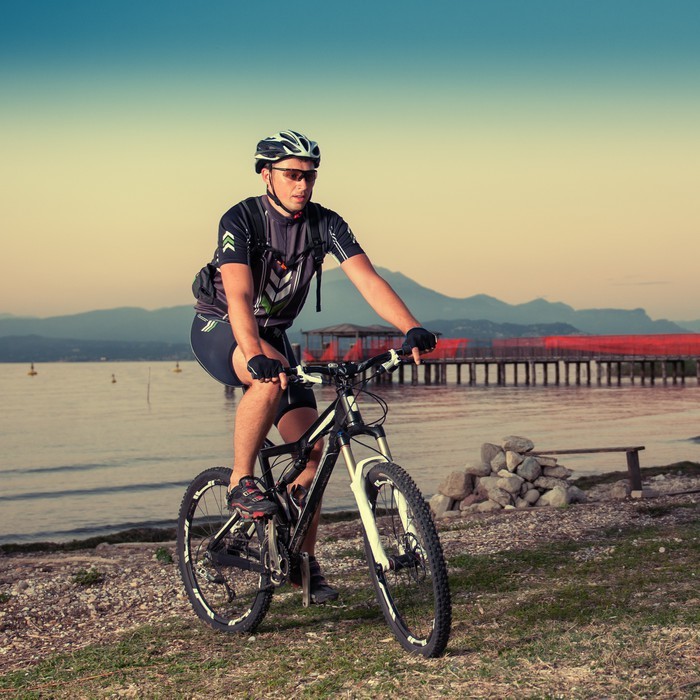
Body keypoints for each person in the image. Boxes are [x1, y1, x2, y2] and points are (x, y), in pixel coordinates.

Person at [190, 130, 436, 603]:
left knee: (315, 450)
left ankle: (301, 561)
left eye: (310, 176)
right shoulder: (241, 218)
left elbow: (368, 280)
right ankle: (242, 481)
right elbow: (238, 294)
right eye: (292, 175)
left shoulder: (326, 223)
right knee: (266, 382)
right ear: (267, 175)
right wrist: (254, 352)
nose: (302, 184)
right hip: (223, 327)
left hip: (274, 335)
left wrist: (411, 327)